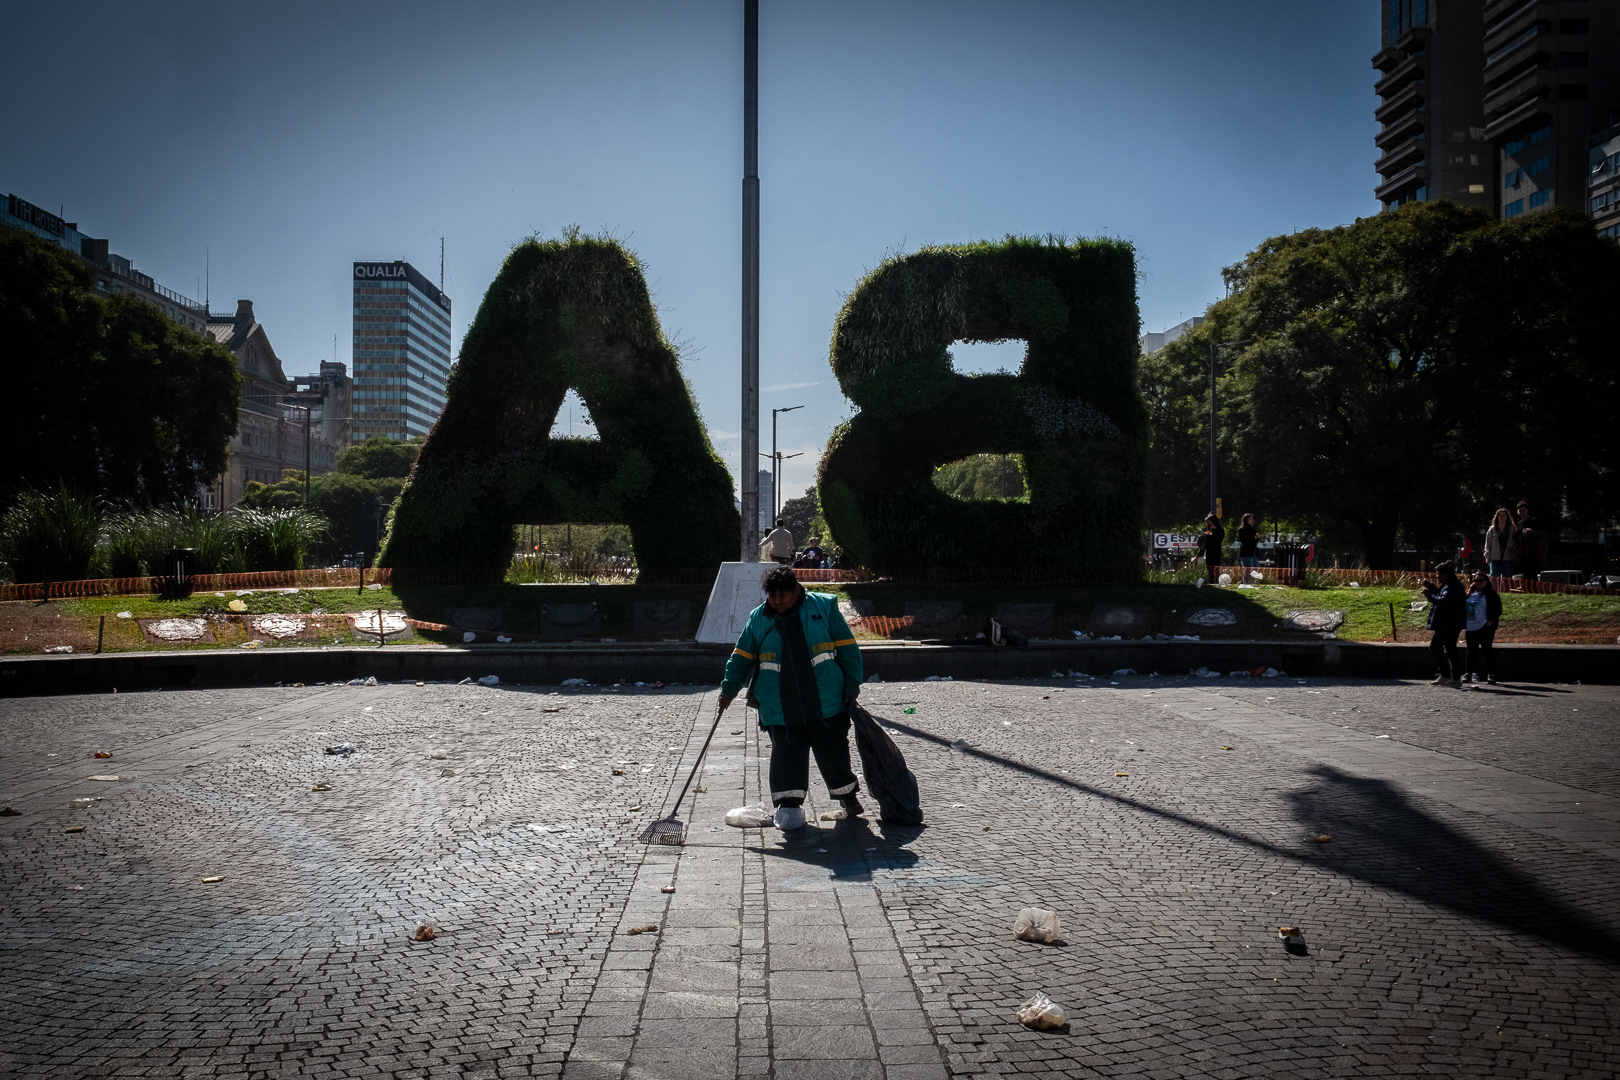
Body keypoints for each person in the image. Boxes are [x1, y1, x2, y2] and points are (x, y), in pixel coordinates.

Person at [718, 565, 864, 830]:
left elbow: (848, 649)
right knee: (787, 756)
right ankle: (788, 807)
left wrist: (852, 685)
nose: (777, 601)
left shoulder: (822, 608)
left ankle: (848, 798)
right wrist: (728, 689)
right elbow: (741, 658)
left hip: (826, 700)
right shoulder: (759, 619)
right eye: (772, 595)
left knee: (833, 753)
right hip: (779, 705)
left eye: (783, 594)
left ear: (797, 589)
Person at [1420, 560, 1467, 688]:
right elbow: (1442, 595)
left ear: (1445, 574)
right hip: (1451, 623)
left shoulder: (1452, 586)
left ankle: (1446, 675)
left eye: (1438, 574)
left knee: (1435, 647)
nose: (1437, 576)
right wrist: (1430, 587)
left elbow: (1443, 601)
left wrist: (1429, 595)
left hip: (1447, 624)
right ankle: (1454, 677)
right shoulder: (1451, 584)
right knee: (1451, 650)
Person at [1464, 572, 1502, 685]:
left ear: (1486, 581)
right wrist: (1470, 591)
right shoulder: (1472, 594)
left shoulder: (1491, 594)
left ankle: (1491, 674)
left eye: (1481, 580)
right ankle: (1468, 673)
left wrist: (1491, 621)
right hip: (1470, 626)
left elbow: (1497, 609)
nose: (1478, 583)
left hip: (1484, 626)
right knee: (1471, 651)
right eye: (1476, 580)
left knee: (1487, 650)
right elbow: (1462, 603)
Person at [1515, 501, 1548, 582]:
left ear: (1527, 511)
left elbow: (1543, 535)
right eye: (1520, 510)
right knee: (1525, 574)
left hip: (1533, 553)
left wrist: (1530, 532)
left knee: (1533, 574)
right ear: (1517, 512)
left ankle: (1534, 591)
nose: (1522, 512)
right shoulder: (1518, 525)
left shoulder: (1535, 521)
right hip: (1523, 554)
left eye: (1524, 510)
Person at [1483, 508, 1518, 581]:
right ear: (1497, 517)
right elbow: (1487, 544)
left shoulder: (1511, 529)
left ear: (1507, 517)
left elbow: (1516, 540)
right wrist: (1487, 556)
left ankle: (1506, 592)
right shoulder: (1492, 529)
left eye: (1504, 515)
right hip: (1495, 558)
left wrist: (1513, 545)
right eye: (1500, 515)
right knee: (1494, 579)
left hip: (1508, 557)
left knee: (1507, 579)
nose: (1502, 517)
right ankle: (1494, 592)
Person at [1198, 514, 1225, 580]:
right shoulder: (1207, 531)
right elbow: (1201, 540)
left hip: (1216, 550)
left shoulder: (1220, 530)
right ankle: (1211, 580)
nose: (1210, 523)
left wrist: (1212, 533)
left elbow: (1218, 540)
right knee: (1209, 567)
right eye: (1208, 522)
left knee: (1216, 567)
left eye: (1210, 521)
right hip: (1209, 551)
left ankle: (1217, 580)